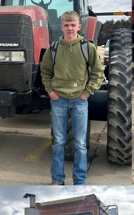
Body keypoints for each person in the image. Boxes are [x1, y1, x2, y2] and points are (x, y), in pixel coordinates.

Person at [40, 10, 104, 185]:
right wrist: (51, 92)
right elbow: (45, 72)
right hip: (58, 100)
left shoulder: (87, 48)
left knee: (80, 144)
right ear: (61, 27)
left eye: (73, 25)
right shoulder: (53, 49)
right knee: (58, 142)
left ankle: (79, 181)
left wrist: (86, 93)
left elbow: (98, 73)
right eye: (66, 25)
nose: (70, 28)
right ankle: (57, 180)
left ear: (79, 26)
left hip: (79, 101)